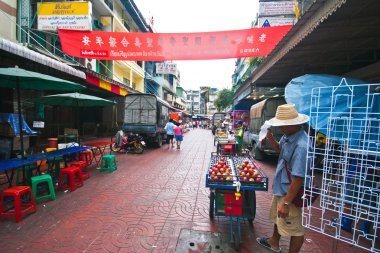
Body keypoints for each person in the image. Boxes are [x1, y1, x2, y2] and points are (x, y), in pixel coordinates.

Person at [256, 104, 310, 253]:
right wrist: (271, 139)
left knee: (295, 228)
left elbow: (298, 178)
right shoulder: (288, 137)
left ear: (294, 124)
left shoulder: (301, 146)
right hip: (282, 186)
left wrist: (286, 202)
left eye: (283, 125)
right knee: (277, 216)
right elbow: (279, 150)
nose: (280, 128)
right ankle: (274, 242)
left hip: (290, 192)